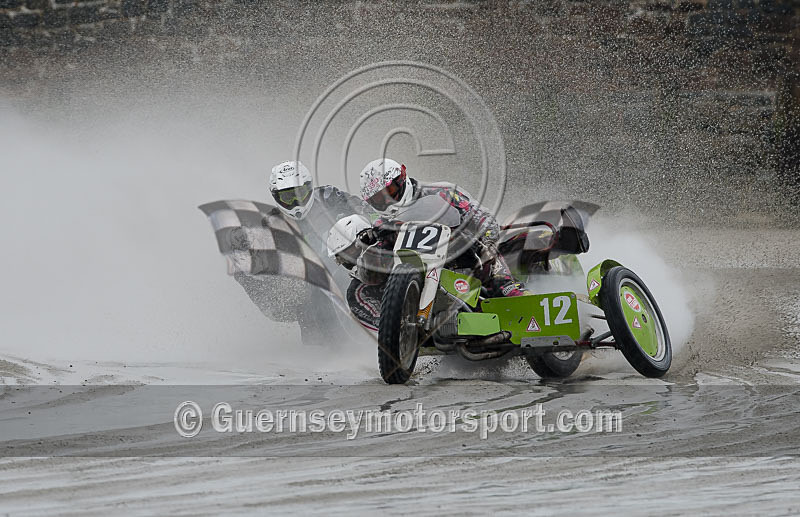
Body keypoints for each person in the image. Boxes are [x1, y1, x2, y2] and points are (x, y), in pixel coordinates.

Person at [235, 160, 372, 345]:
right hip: (311, 284)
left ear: (309, 187)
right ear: (276, 197)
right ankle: (319, 353)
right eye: (287, 198)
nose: (295, 203)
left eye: (300, 194)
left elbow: (366, 211)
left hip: (349, 264)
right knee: (307, 297)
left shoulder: (329, 196)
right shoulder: (272, 224)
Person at [359, 158, 527, 297]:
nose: (387, 201)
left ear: (402, 179)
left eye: (389, 191)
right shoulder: (381, 223)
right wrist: (368, 254)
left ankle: (507, 286)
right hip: (417, 272)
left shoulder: (442, 192)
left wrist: (489, 239)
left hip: (463, 257)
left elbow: (483, 217)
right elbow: (370, 273)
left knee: (483, 246)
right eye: (379, 199)